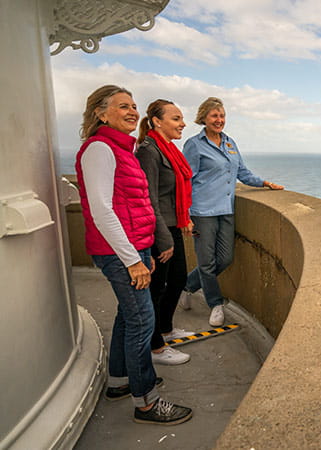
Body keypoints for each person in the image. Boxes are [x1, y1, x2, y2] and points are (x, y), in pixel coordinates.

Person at [75, 85, 192, 425]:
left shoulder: (120, 149)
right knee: (143, 321)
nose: (132, 112)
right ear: (100, 113)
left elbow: (132, 205)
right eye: (122, 106)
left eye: (133, 106)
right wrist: (131, 259)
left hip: (131, 248)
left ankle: (119, 381)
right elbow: (102, 210)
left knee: (128, 317)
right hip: (119, 252)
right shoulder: (99, 149)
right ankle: (146, 402)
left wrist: (143, 250)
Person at [182, 97, 283, 327]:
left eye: (222, 116)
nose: (219, 120)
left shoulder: (229, 143)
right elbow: (186, 180)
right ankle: (215, 304)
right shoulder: (195, 145)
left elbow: (243, 173)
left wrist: (265, 183)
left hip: (226, 209)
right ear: (204, 118)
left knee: (225, 258)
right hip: (202, 211)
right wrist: (185, 214)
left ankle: (187, 285)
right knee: (207, 262)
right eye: (214, 116)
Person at [136, 99, 195, 366]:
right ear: (157, 121)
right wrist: (163, 238)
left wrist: (185, 219)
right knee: (157, 286)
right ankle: (156, 347)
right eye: (176, 118)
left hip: (173, 224)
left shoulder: (169, 149)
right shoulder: (149, 151)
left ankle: (166, 328)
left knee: (179, 277)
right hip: (159, 228)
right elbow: (150, 198)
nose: (182, 123)